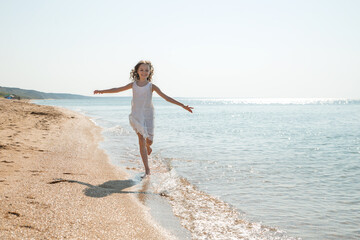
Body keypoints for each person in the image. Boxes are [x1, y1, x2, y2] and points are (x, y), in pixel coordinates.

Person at [94, 60, 193, 176]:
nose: (144, 72)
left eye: (146, 70)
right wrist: (102, 91)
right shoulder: (133, 85)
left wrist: (182, 105)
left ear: (150, 72)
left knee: (149, 141)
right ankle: (147, 169)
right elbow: (117, 89)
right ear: (137, 71)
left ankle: (147, 146)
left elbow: (166, 98)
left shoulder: (152, 86)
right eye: (141, 70)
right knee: (141, 139)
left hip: (148, 115)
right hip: (136, 115)